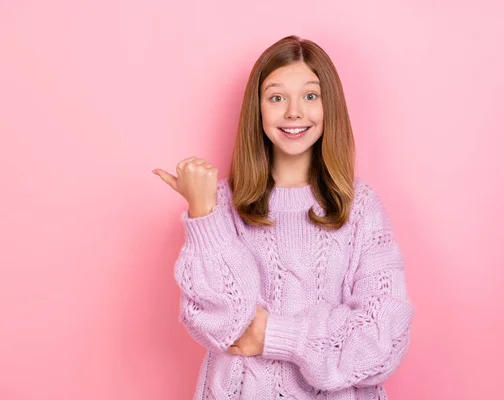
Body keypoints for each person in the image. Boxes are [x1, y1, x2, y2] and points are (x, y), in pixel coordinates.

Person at [153, 35, 413, 399]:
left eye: (310, 95)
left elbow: (383, 340)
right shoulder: (220, 206)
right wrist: (204, 216)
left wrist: (274, 334)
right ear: (257, 110)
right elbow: (222, 325)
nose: (294, 112)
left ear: (329, 107)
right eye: (277, 97)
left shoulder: (362, 208)